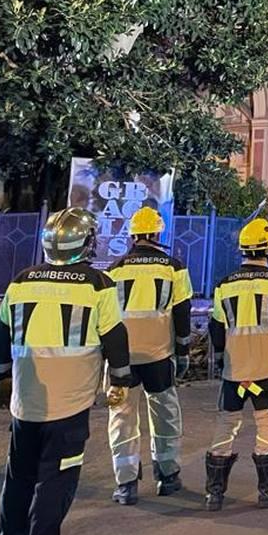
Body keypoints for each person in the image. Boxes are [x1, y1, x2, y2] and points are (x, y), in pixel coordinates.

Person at [0, 207, 133, 535]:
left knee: (19, 477)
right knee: (56, 481)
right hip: (69, 405)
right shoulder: (97, 285)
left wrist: (2, 376)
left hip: (26, 402)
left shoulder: (21, 281)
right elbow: (115, 336)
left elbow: (1, 331)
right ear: (87, 243)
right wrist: (120, 380)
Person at [205, 217, 268, 511]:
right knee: (267, 423)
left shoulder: (224, 285)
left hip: (234, 370)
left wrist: (220, 357)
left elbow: (216, 326)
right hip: (266, 368)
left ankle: (214, 492)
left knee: (227, 423)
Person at [105, 206, 194, 505]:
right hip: (159, 355)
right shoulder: (173, 267)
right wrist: (183, 351)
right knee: (165, 413)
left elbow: (105, 319)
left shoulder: (114, 269)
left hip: (122, 359)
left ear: (132, 235)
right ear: (157, 233)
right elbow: (182, 312)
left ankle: (126, 485)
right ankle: (167, 476)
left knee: (122, 416)